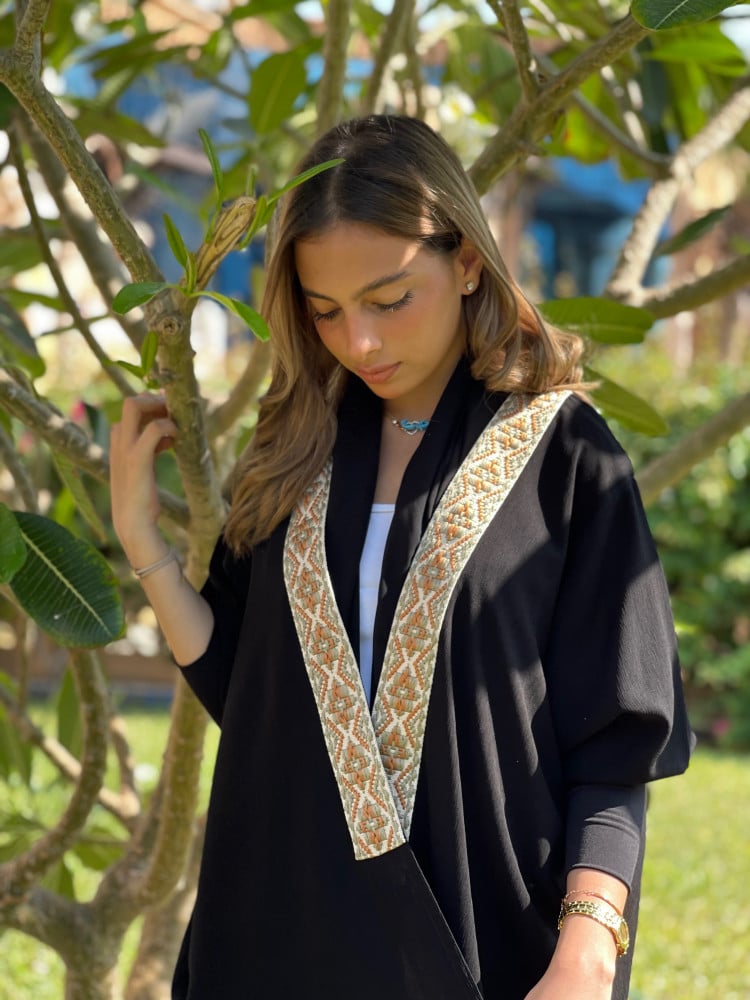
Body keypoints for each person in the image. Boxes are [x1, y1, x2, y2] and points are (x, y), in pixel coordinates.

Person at [109, 114, 693, 1000]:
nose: (361, 342)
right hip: (273, 931)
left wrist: (586, 951)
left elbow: (615, 746)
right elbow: (249, 690)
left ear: (467, 262)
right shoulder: (295, 447)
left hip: (487, 943)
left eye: (388, 300)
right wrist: (141, 540)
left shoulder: (567, 456)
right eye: (326, 311)